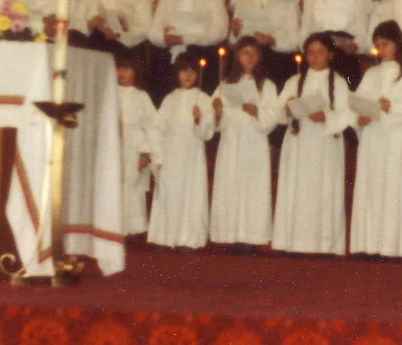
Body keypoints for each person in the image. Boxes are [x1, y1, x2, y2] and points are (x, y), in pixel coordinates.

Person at [272, 33, 351, 255]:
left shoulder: (338, 83)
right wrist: (287, 107)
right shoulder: (294, 82)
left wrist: (326, 117)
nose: (314, 56)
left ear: (330, 55)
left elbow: (346, 113)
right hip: (299, 143)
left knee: (323, 191)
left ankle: (325, 244)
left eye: (320, 51)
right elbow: (278, 113)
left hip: (325, 144)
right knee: (297, 190)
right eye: (310, 52)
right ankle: (293, 242)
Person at [349, 21, 402, 259]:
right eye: (378, 45)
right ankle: (368, 244)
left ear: (397, 45)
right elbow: (357, 103)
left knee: (392, 187)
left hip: (396, 136)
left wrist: (392, 107)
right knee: (371, 186)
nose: (381, 49)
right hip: (373, 137)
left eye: (386, 44)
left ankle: (392, 247)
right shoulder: (371, 74)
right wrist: (359, 117)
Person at [209, 36, 282, 250]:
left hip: (253, 142)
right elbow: (215, 119)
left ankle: (251, 237)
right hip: (231, 141)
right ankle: (228, 235)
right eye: (244, 52)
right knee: (230, 185)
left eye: (253, 53)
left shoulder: (266, 86)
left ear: (259, 57)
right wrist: (217, 110)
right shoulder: (226, 84)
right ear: (237, 57)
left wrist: (257, 111)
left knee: (252, 187)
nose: (249, 57)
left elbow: (273, 114)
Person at [146, 57, 214, 250]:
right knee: (169, 194)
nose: (188, 75)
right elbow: (156, 128)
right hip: (171, 154)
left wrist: (199, 119)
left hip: (192, 153)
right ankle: (165, 236)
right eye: (184, 71)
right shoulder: (170, 99)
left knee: (191, 194)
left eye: (192, 71)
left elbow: (207, 132)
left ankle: (189, 239)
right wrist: (158, 156)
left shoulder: (203, 98)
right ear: (176, 73)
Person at [147, 0, 229, 93]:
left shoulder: (214, 0)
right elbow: (153, 33)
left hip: (203, 59)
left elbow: (220, 32)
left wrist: (187, 38)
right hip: (172, 59)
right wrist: (165, 39)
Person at [229, 0, 301, 88]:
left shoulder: (288, 4)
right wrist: (235, 32)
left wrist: (272, 40)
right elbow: (232, 42)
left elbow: (295, 42)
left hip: (276, 61)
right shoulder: (243, 2)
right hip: (246, 63)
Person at [301, 0, 371, 86]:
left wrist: (354, 45)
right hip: (319, 48)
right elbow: (305, 27)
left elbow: (362, 30)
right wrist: (310, 48)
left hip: (345, 51)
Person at [115, 51, 155, 238]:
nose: (121, 72)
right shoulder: (110, 93)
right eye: (118, 68)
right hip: (114, 144)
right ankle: (113, 227)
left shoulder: (141, 96)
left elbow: (152, 126)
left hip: (134, 144)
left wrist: (145, 152)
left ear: (135, 71)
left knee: (132, 184)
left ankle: (131, 227)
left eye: (126, 68)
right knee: (115, 183)